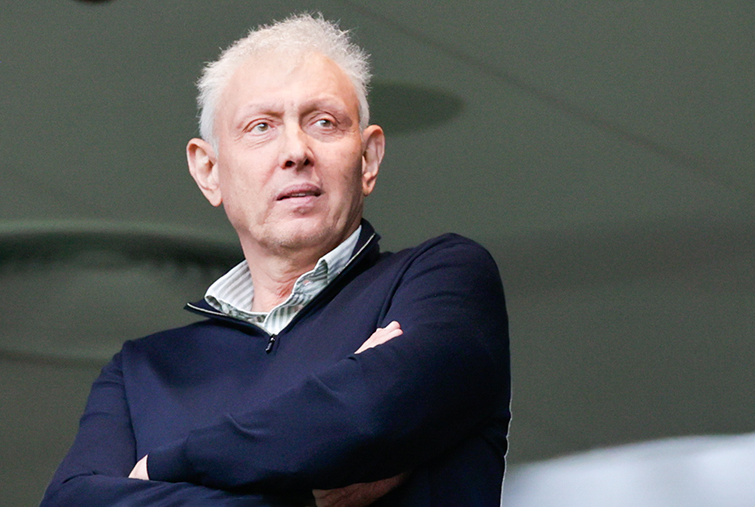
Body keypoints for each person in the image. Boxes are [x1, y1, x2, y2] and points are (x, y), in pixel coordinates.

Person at [40, 13, 510, 507]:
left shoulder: (441, 281)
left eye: (323, 122)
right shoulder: (143, 372)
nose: (296, 151)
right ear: (209, 170)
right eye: (261, 127)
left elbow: (366, 414)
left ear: (368, 158)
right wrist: (302, 497)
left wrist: (161, 468)